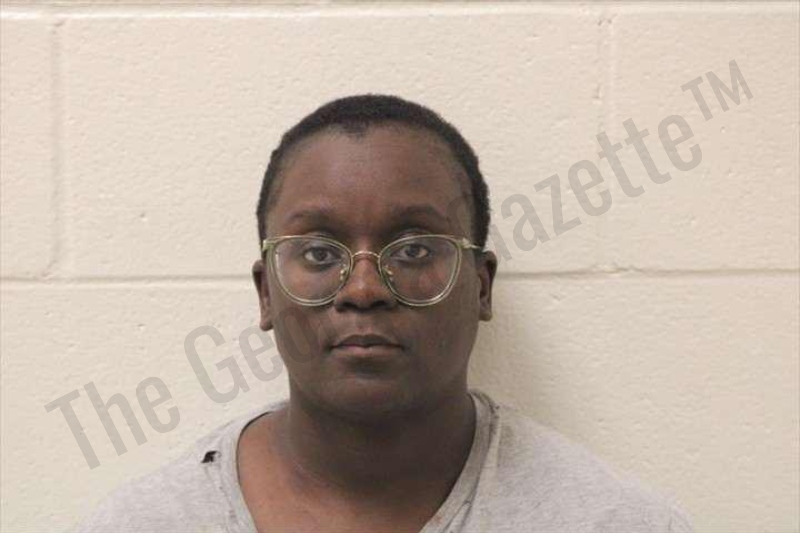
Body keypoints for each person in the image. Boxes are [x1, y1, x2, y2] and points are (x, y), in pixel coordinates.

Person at [74, 94, 694, 533]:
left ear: (481, 288)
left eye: (415, 249)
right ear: (266, 293)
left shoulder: (614, 522)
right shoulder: (145, 523)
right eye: (320, 253)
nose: (365, 288)